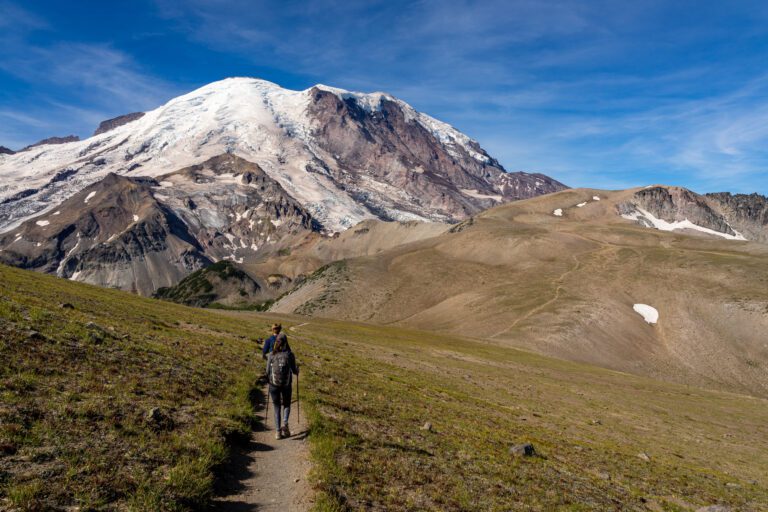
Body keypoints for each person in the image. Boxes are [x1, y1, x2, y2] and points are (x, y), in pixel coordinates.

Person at [266, 332, 299, 439]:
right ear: (286, 342)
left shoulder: (271, 355)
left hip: (273, 385)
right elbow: (294, 371)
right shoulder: (290, 355)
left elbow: (267, 372)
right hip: (286, 384)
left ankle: (278, 432)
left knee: (276, 407)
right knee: (287, 404)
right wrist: (297, 370)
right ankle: (285, 424)